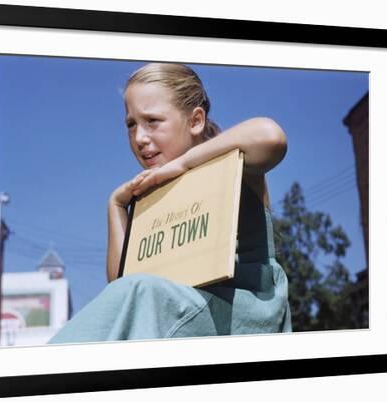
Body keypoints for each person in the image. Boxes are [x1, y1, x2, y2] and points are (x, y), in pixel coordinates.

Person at [48, 63, 291, 344]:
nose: (139, 138)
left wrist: (184, 164)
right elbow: (121, 294)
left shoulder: (229, 162)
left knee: (140, 292)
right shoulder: (149, 193)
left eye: (152, 121)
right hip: (179, 314)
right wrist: (115, 206)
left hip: (243, 313)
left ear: (196, 121)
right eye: (131, 124)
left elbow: (270, 136)